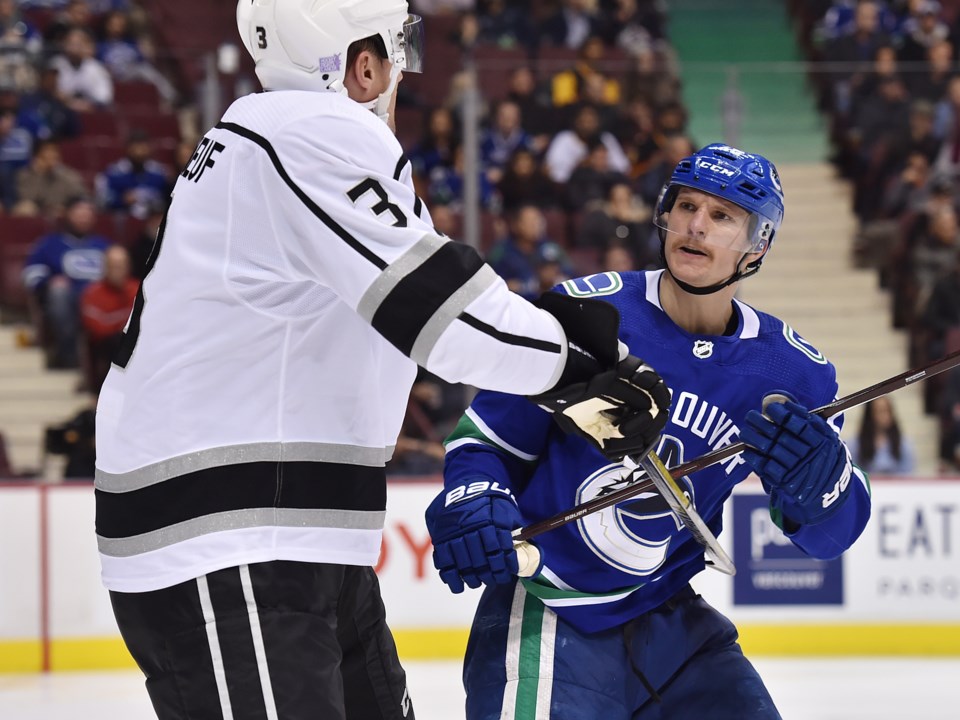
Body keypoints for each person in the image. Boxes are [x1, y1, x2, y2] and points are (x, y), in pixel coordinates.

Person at [94, 2, 671, 720]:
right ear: (361, 64)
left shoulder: (266, 137)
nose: (401, 72)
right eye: (397, 51)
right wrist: (585, 373)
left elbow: (429, 309)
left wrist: (564, 354)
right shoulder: (313, 134)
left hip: (280, 536)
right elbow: (448, 321)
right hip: (234, 541)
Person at [425, 143, 873, 719]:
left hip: (672, 625)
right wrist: (474, 498)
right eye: (686, 206)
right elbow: (488, 441)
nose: (696, 226)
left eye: (722, 216)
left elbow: (831, 538)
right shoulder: (589, 315)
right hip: (551, 609)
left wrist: (823, 489)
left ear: (757, 244)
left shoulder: (793, 375)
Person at [21, 196, 109, 368]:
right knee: (58, 294)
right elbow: (31, 273)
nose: (83, 218)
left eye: (87, 214)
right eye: (79, 213)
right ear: (68, 215)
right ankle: (68, 355)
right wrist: (48, 283)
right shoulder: (50, 244)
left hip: (100, 297)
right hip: (69, 297)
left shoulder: (103, 245)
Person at [846, 397, 916, 475]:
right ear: (869, 414)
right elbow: (853, 473)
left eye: (888, 411)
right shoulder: (855, 444)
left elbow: (909, 473)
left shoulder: (904, 443)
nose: (885, 416)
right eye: (880, 411)